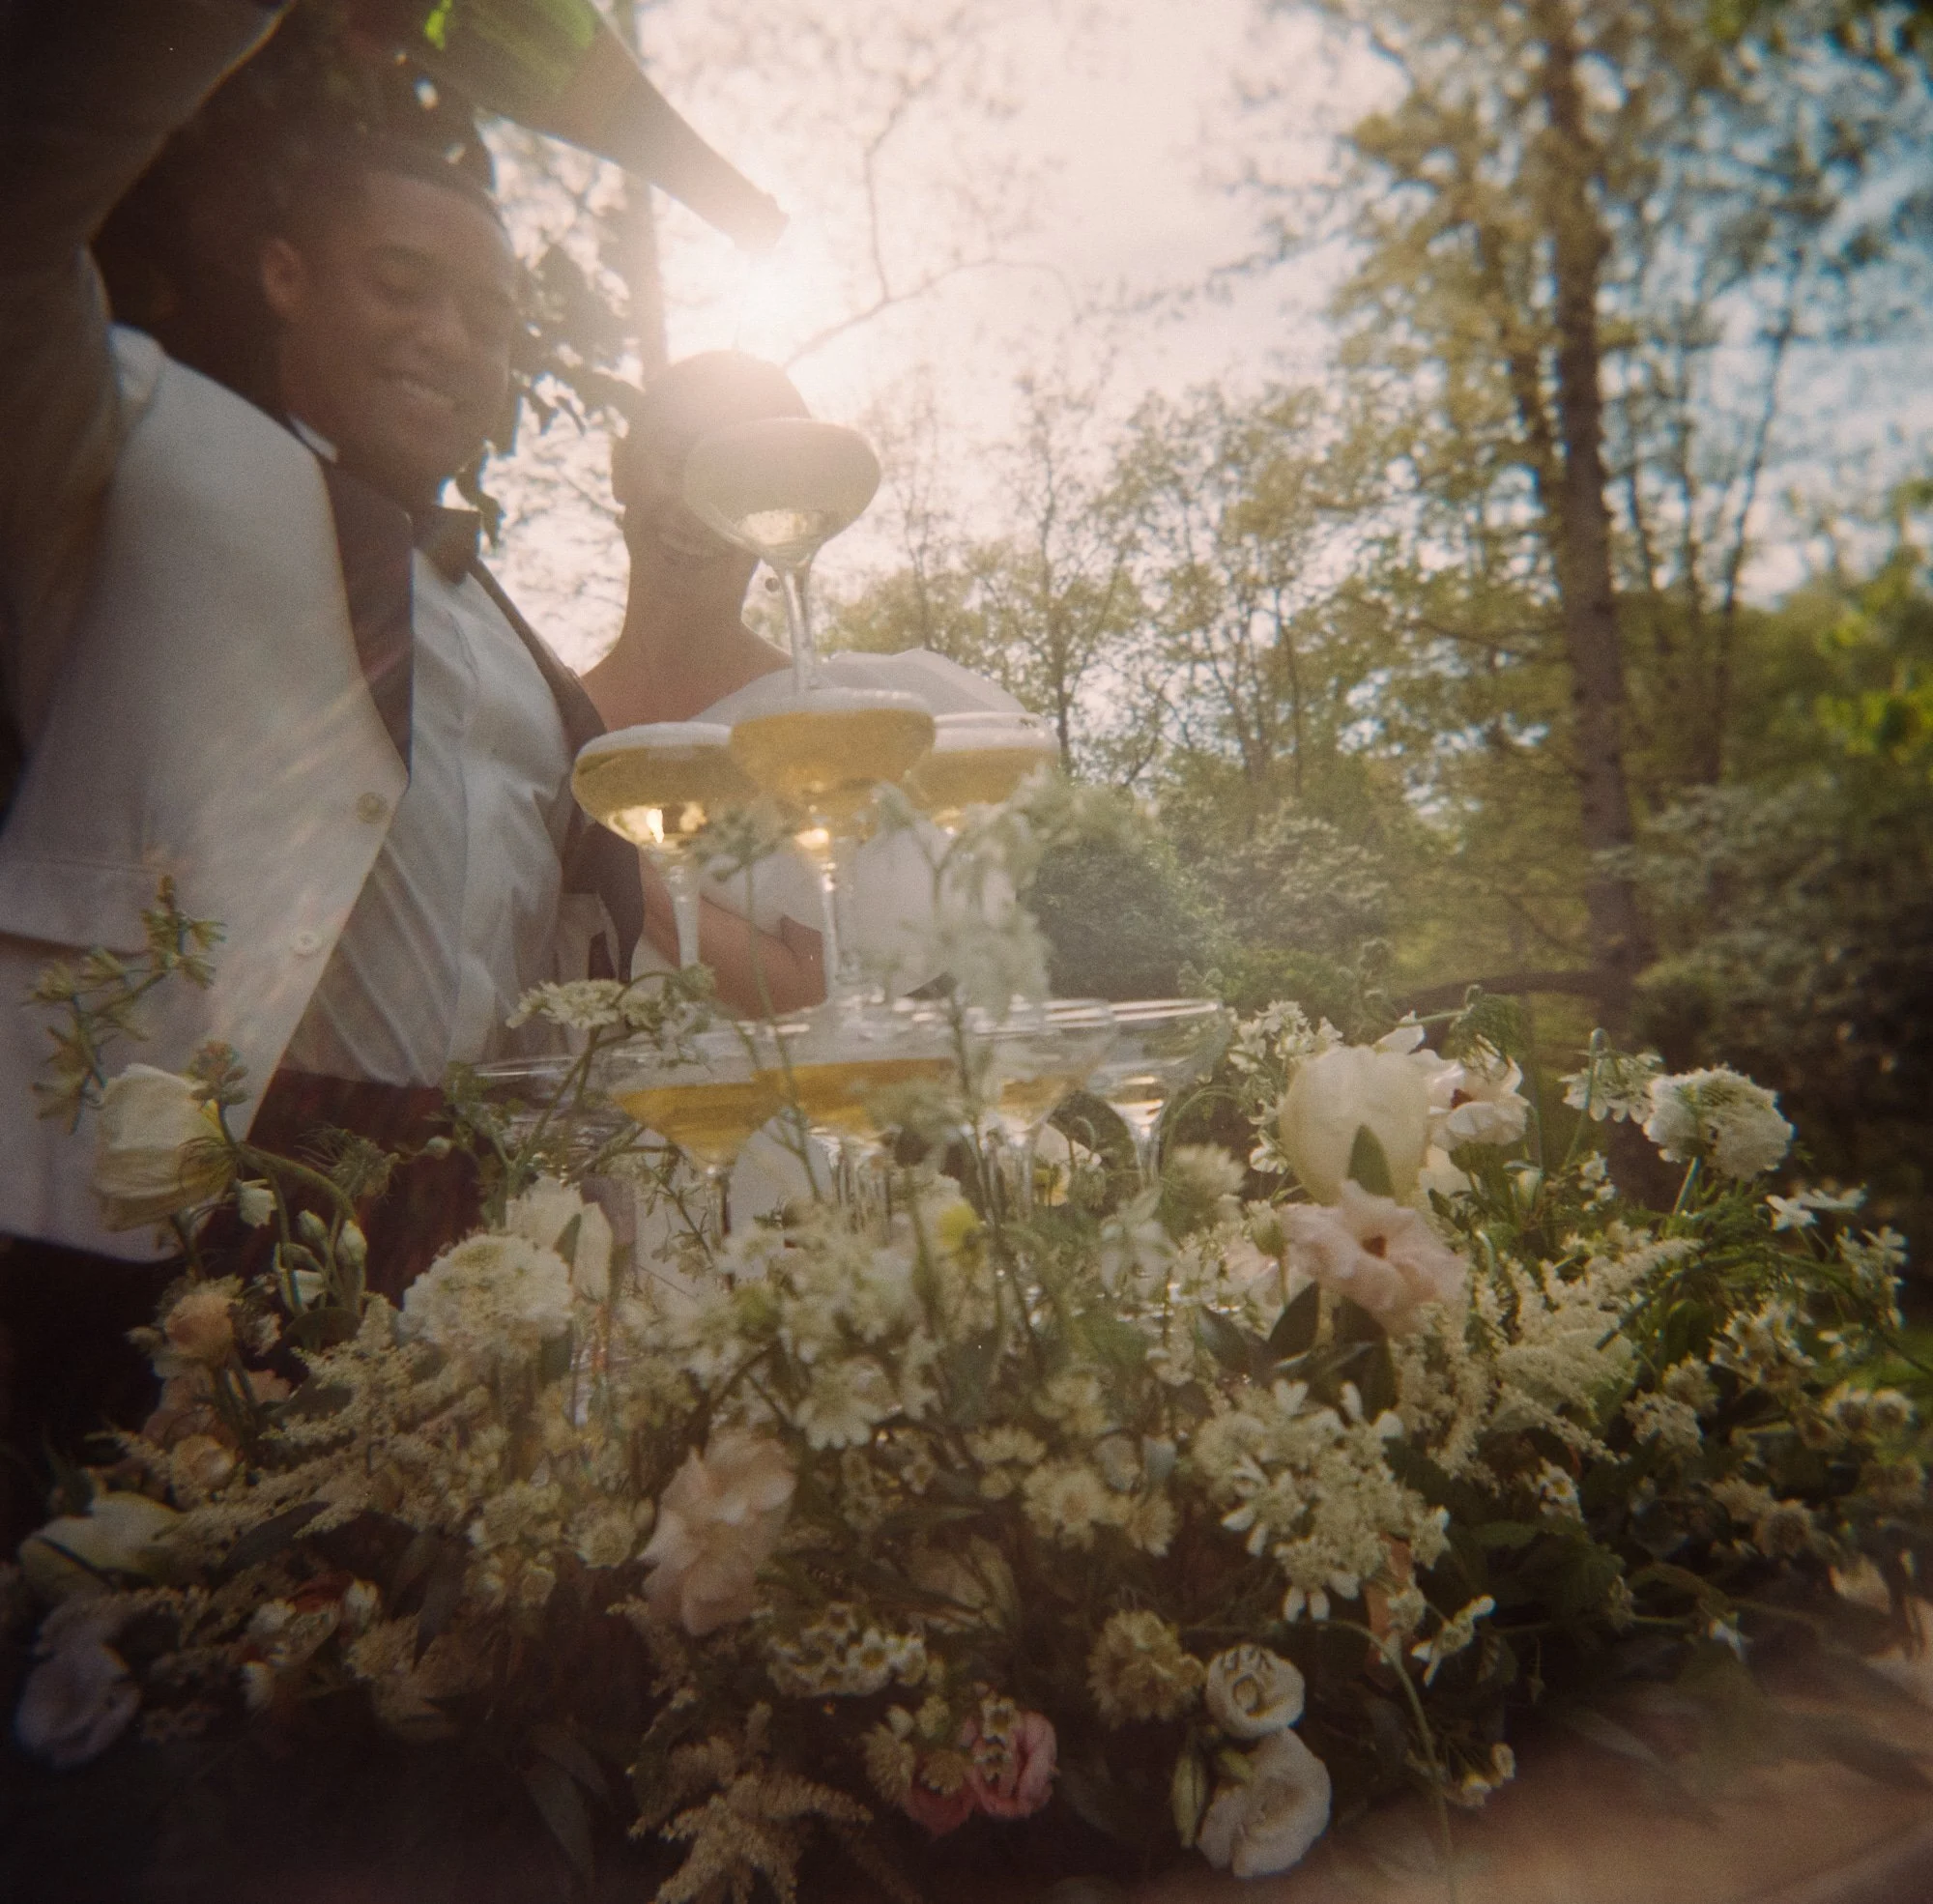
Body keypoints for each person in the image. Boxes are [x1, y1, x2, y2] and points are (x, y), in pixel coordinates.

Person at [586, 350, 1031, 998]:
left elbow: (817, 992)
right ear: (619, 468)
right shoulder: (536, 712)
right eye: (674, 455)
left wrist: (619, 864)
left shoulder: (828, 724)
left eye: (743, 479)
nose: (693, 503)